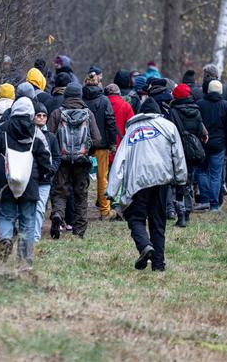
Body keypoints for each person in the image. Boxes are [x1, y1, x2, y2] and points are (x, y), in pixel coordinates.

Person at [106, 97, 187, 272]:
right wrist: (181, 180)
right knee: (158, 222)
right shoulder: (168, 126)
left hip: (137, 181)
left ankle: (144, 246)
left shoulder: (131, 131)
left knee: (135, 218)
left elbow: (119, 160)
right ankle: (158, 265)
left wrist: (111, 191)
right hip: (161, 179)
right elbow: (178, 155)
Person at [0, 97, 53, 268]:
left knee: (6, 215)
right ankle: (25, 260)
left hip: (6, 181)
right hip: (30, 182)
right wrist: (44, 175)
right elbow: (47, 160)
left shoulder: (0, 131)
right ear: (31, 113)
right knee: (27, 220)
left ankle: (6, 239)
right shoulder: (37, 133)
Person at [47, 83, 101, 239]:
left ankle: (57, 214)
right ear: (80, 96)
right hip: (82, 162)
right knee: (81, 195)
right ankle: (79, 230)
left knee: (59, 192)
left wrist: (56, 154)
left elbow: (50, 137)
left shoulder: (57, 113)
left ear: (66, 96)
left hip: (62, 161)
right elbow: (97, 139)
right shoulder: (88, 114)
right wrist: (87, 152)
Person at [168, 83, 208, 227]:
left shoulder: (173, 111)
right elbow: (199, 131)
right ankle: (188, 211)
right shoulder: (196, 111)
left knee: (177, 182)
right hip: (191, 151)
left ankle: (180, 215)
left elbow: (170, 132)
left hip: (177, 151)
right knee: (189, 181)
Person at [83, 66, 119, 221]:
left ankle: (80, 210)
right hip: (102, 145)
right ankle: (105, 211)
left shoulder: (81, 99)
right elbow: (110, 121)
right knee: (102, 178)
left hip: (83, 146)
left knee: (81, 178)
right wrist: (112, 143)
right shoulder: (104, 100)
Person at [196, 79, 227, 212]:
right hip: (219, 145)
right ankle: (214, 205)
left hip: (203, 144)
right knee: (216, 175)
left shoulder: (200, 104)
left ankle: (204, 200)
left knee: (202, 171)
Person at [32, 102, 59, 241]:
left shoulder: (51, 137)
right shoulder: (29, 135)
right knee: (28, 208)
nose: (41, 118)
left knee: (39, 208)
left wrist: (51, 170)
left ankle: (35, 238)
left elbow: (56, 156)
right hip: (30, 177)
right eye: (38, 115)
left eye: (44, 115)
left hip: (45, 179)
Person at [105, 84, 133, 168]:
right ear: (119, 93)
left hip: (103, 149)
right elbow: (131, 128)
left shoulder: (102, 104)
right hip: (120, 149)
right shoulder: (126, 106)